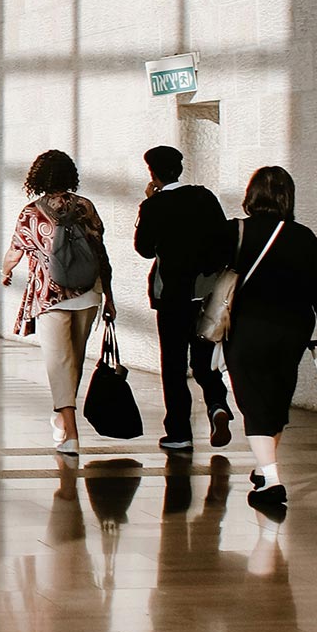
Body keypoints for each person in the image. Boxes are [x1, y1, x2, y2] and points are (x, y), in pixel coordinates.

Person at [218, 166, 317, 506]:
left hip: (247, 327)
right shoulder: (304, 237)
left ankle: (271, 481)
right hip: (292, 329)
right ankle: (264, 467)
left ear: (251, 195)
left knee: (253, 401)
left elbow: (209, 273)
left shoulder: (235, 231)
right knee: (275, 398)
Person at [0, 151, 110, 456]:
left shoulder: (31, 213)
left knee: (59, 363)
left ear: (37, 177)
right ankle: (63, 420)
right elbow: (101, 253)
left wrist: (5, 271)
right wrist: (110, 297)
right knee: (74, 362)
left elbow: (15, 251)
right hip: (88, 293)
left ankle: (70, 433)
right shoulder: (85, 206)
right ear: (70, 175)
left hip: (49, 295)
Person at [133, 146, 235, 452]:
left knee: (174, 365)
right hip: (205, 292)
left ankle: (179, 432)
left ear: (153, 173)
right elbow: (223, 240)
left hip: (172, 296)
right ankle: (217, 404)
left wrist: (148, 204)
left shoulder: (154, 206)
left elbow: (144, 249)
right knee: (204, 359)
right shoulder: (205, 197)